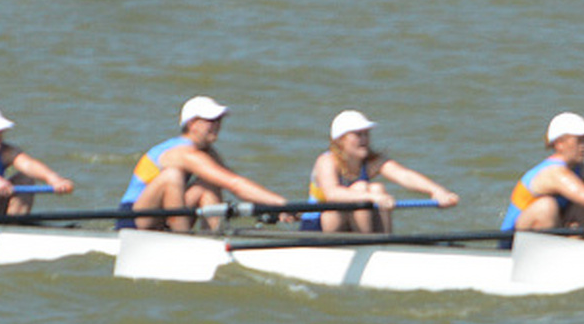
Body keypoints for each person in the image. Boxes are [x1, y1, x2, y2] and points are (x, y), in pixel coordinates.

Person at [118, 96, 288, 231]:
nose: (217, 125)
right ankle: (182, 239)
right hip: (134, 218)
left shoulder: (207, 152)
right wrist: (281, 203)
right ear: (192, 124)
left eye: (219, 120)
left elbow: (236, 184)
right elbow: (235, 185)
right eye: (211, 120)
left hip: (164, 213)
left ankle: (214, 236)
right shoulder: (183, 153)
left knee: (209, 183)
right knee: (172, 175)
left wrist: (275, 207)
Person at [300, 109, 459, 234]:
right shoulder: (326, 161)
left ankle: (381, 245)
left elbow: (404, 176)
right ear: (340, 140)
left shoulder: (371, 162)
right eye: (357, 134)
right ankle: (370, 247)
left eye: (366, 134)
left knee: (378, 188)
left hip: (352, 228)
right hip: (317, 229)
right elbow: (332, 194)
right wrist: (372, 197)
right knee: (362, 188)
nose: (364, 139)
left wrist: (437, 191)